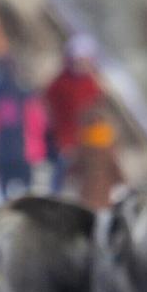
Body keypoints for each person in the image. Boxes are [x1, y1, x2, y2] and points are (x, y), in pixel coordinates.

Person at [0, 55, 46, 199]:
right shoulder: (25, 94)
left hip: (5, 152)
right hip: (22, 152)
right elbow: (38, 123)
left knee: (5, 195)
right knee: (27, 193)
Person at [43, 35, 104, 194]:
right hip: (66, 143)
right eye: (79, 60)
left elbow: (97, 114)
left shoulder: (92, 84)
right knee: (63, 180)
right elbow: (52, 114)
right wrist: (64, 141)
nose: (82, 65)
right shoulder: (59, 85)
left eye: (86, 60)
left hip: (89, 142)